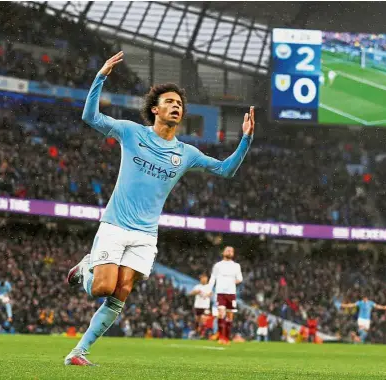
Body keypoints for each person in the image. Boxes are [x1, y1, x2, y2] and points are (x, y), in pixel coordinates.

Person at [65, 51, 255, 366]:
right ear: (155, 109)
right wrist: (100, 77)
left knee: (121, 291)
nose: (176, 105)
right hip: (115, 225)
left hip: (145, 235)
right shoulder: (131, 132)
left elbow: (225, 170)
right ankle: (85, 268)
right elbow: (91, 117)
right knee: (101, 287)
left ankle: (78, 353)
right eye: (169, 101)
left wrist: (245, 140)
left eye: (179, 103)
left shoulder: (186, 153)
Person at [208, 246, 243, 345]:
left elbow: (240, 278)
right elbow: (212, 278)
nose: (230, 252)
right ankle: (221, 337)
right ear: (223, 253)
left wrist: (231, 282)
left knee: (230, 315)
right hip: (220, 293)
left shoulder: (236, 266)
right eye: (228, 250)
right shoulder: (217, 265)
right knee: (221, 313)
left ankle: (226, 338)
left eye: (232, 251)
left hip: (231, 293)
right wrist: (209, 289)